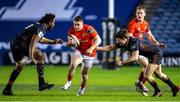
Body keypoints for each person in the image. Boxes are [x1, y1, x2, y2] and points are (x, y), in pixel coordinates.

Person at [97, 29, 179, 97]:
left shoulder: (133, 42)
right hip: (153, 54)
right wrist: (96, 48)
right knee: (159, 74)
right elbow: (110, 47)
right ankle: (174, 87)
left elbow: (134, 58)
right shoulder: (124, 42)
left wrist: (122, 62)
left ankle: (158, 91)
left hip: (155, 54)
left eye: (119, 40)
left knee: (147, 75)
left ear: (125, 38)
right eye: (117, 40)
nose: (118, 41)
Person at [2, 13, 63, 96]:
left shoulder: (37, 25)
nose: (54, 24)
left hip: (14, 44)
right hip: (22, 45)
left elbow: (40, 39)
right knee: (40, 55)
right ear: (50, 22)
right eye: (54, 22)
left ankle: (7, 88)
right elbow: (33, 41)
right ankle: (41, 83)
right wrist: (31, 57)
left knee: (20, 65)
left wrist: (53, 42)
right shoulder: (42, 27)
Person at [127, 5, 166, 96]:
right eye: (138, 13)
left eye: (141, 13)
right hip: (134, 49)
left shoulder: (145, 24)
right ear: (136, 14)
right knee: (146, 65)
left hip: (141, 48)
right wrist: (130, 52)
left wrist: (157, 43)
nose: (139, 15)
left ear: (144, 14)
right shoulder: (132, 24)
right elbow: (129, 39)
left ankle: (139, 84)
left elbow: (149, 36)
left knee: (146, 67)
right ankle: (140, 84)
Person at [61, 16, 101, 96]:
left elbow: (99, 39)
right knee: (73, 65)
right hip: (79, 51)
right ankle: (68, 82)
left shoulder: (89, 29)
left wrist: (91, 48)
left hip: (90, 54)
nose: (76, 26)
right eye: (75, 24)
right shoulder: (71, 31)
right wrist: (70, 44)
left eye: (78, 25)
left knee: (84, 75)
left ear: (82, 23)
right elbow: (69, 44)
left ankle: (82, 88)